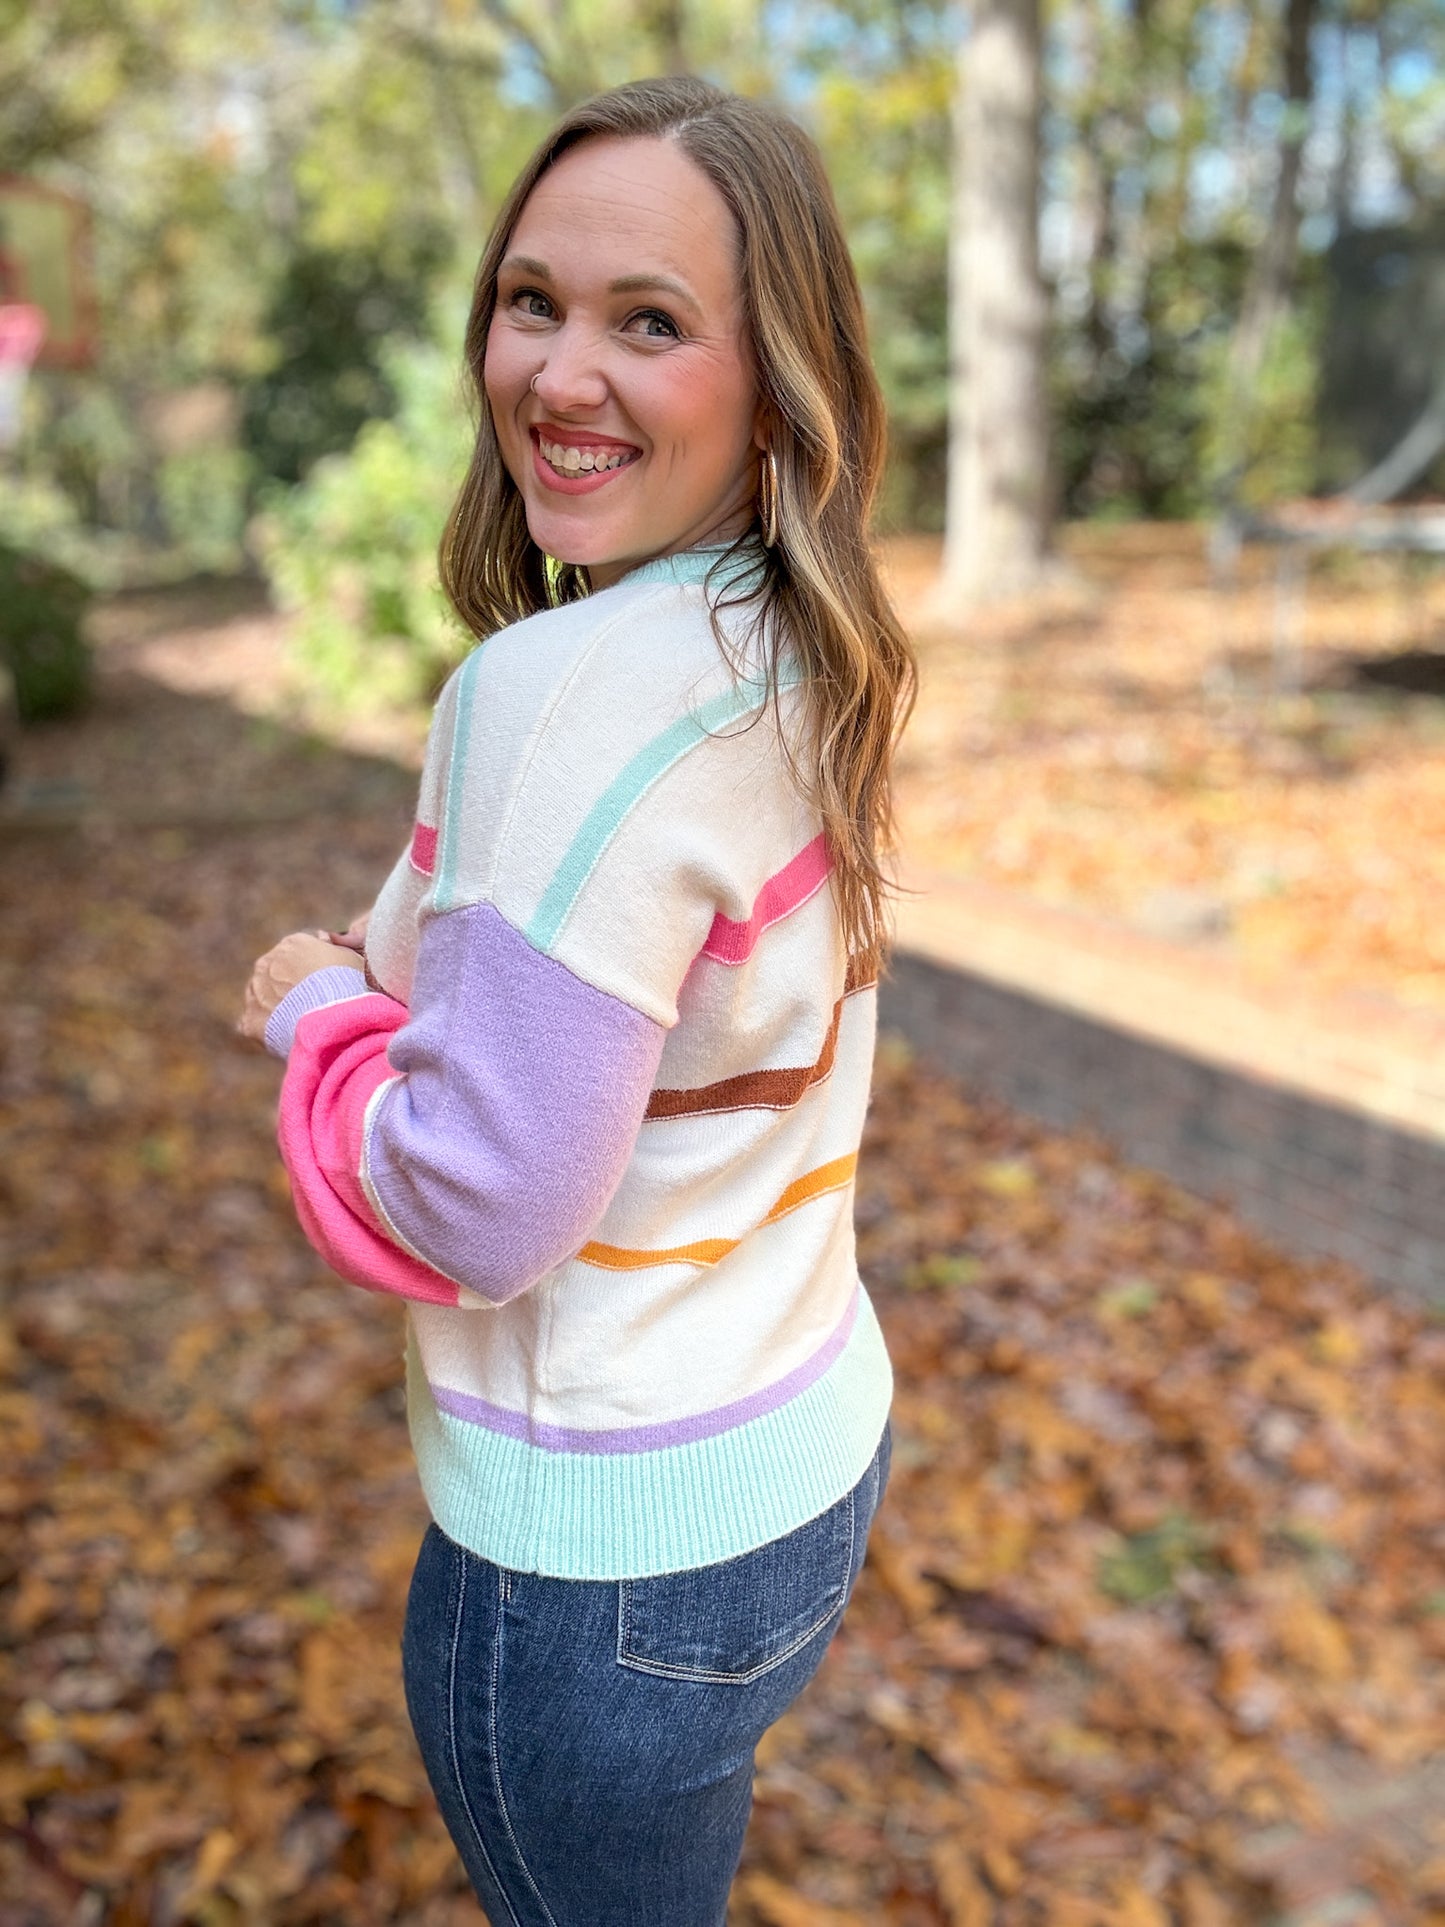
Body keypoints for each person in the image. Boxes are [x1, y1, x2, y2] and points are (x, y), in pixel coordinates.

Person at [239, 75, 915, 1927]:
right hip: (795, 1464)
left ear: (775, 378)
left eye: (649, 322)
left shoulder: (558, 696)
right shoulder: (795, 645)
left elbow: (474, 1203)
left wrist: (312, 1020)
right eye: (531, 302)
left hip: (598, 1565)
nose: (557, 373)